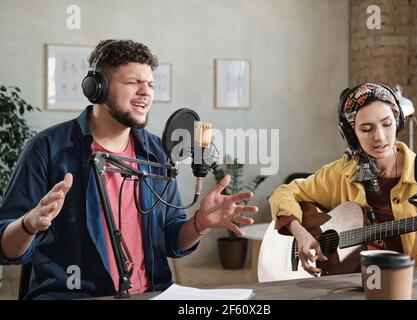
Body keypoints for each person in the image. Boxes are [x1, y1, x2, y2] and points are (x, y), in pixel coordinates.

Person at [0, 39, 258, 299]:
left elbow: (172, 240)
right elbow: (6, 248)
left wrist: (199, 224)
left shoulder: (158, 152)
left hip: (151, 294)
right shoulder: (47, 148)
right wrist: (28, 225)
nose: (146, 92)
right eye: (133, 82)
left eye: (151, 85)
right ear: (97, 88)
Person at [269, 82, 417, 276]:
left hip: (415, 285)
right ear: (351, 133)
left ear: (398, 122)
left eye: (387, 124)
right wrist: (300, 232)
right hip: (350, 287)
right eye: (366, 129)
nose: (379, 137)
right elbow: (284, 193)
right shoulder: (338, 174)